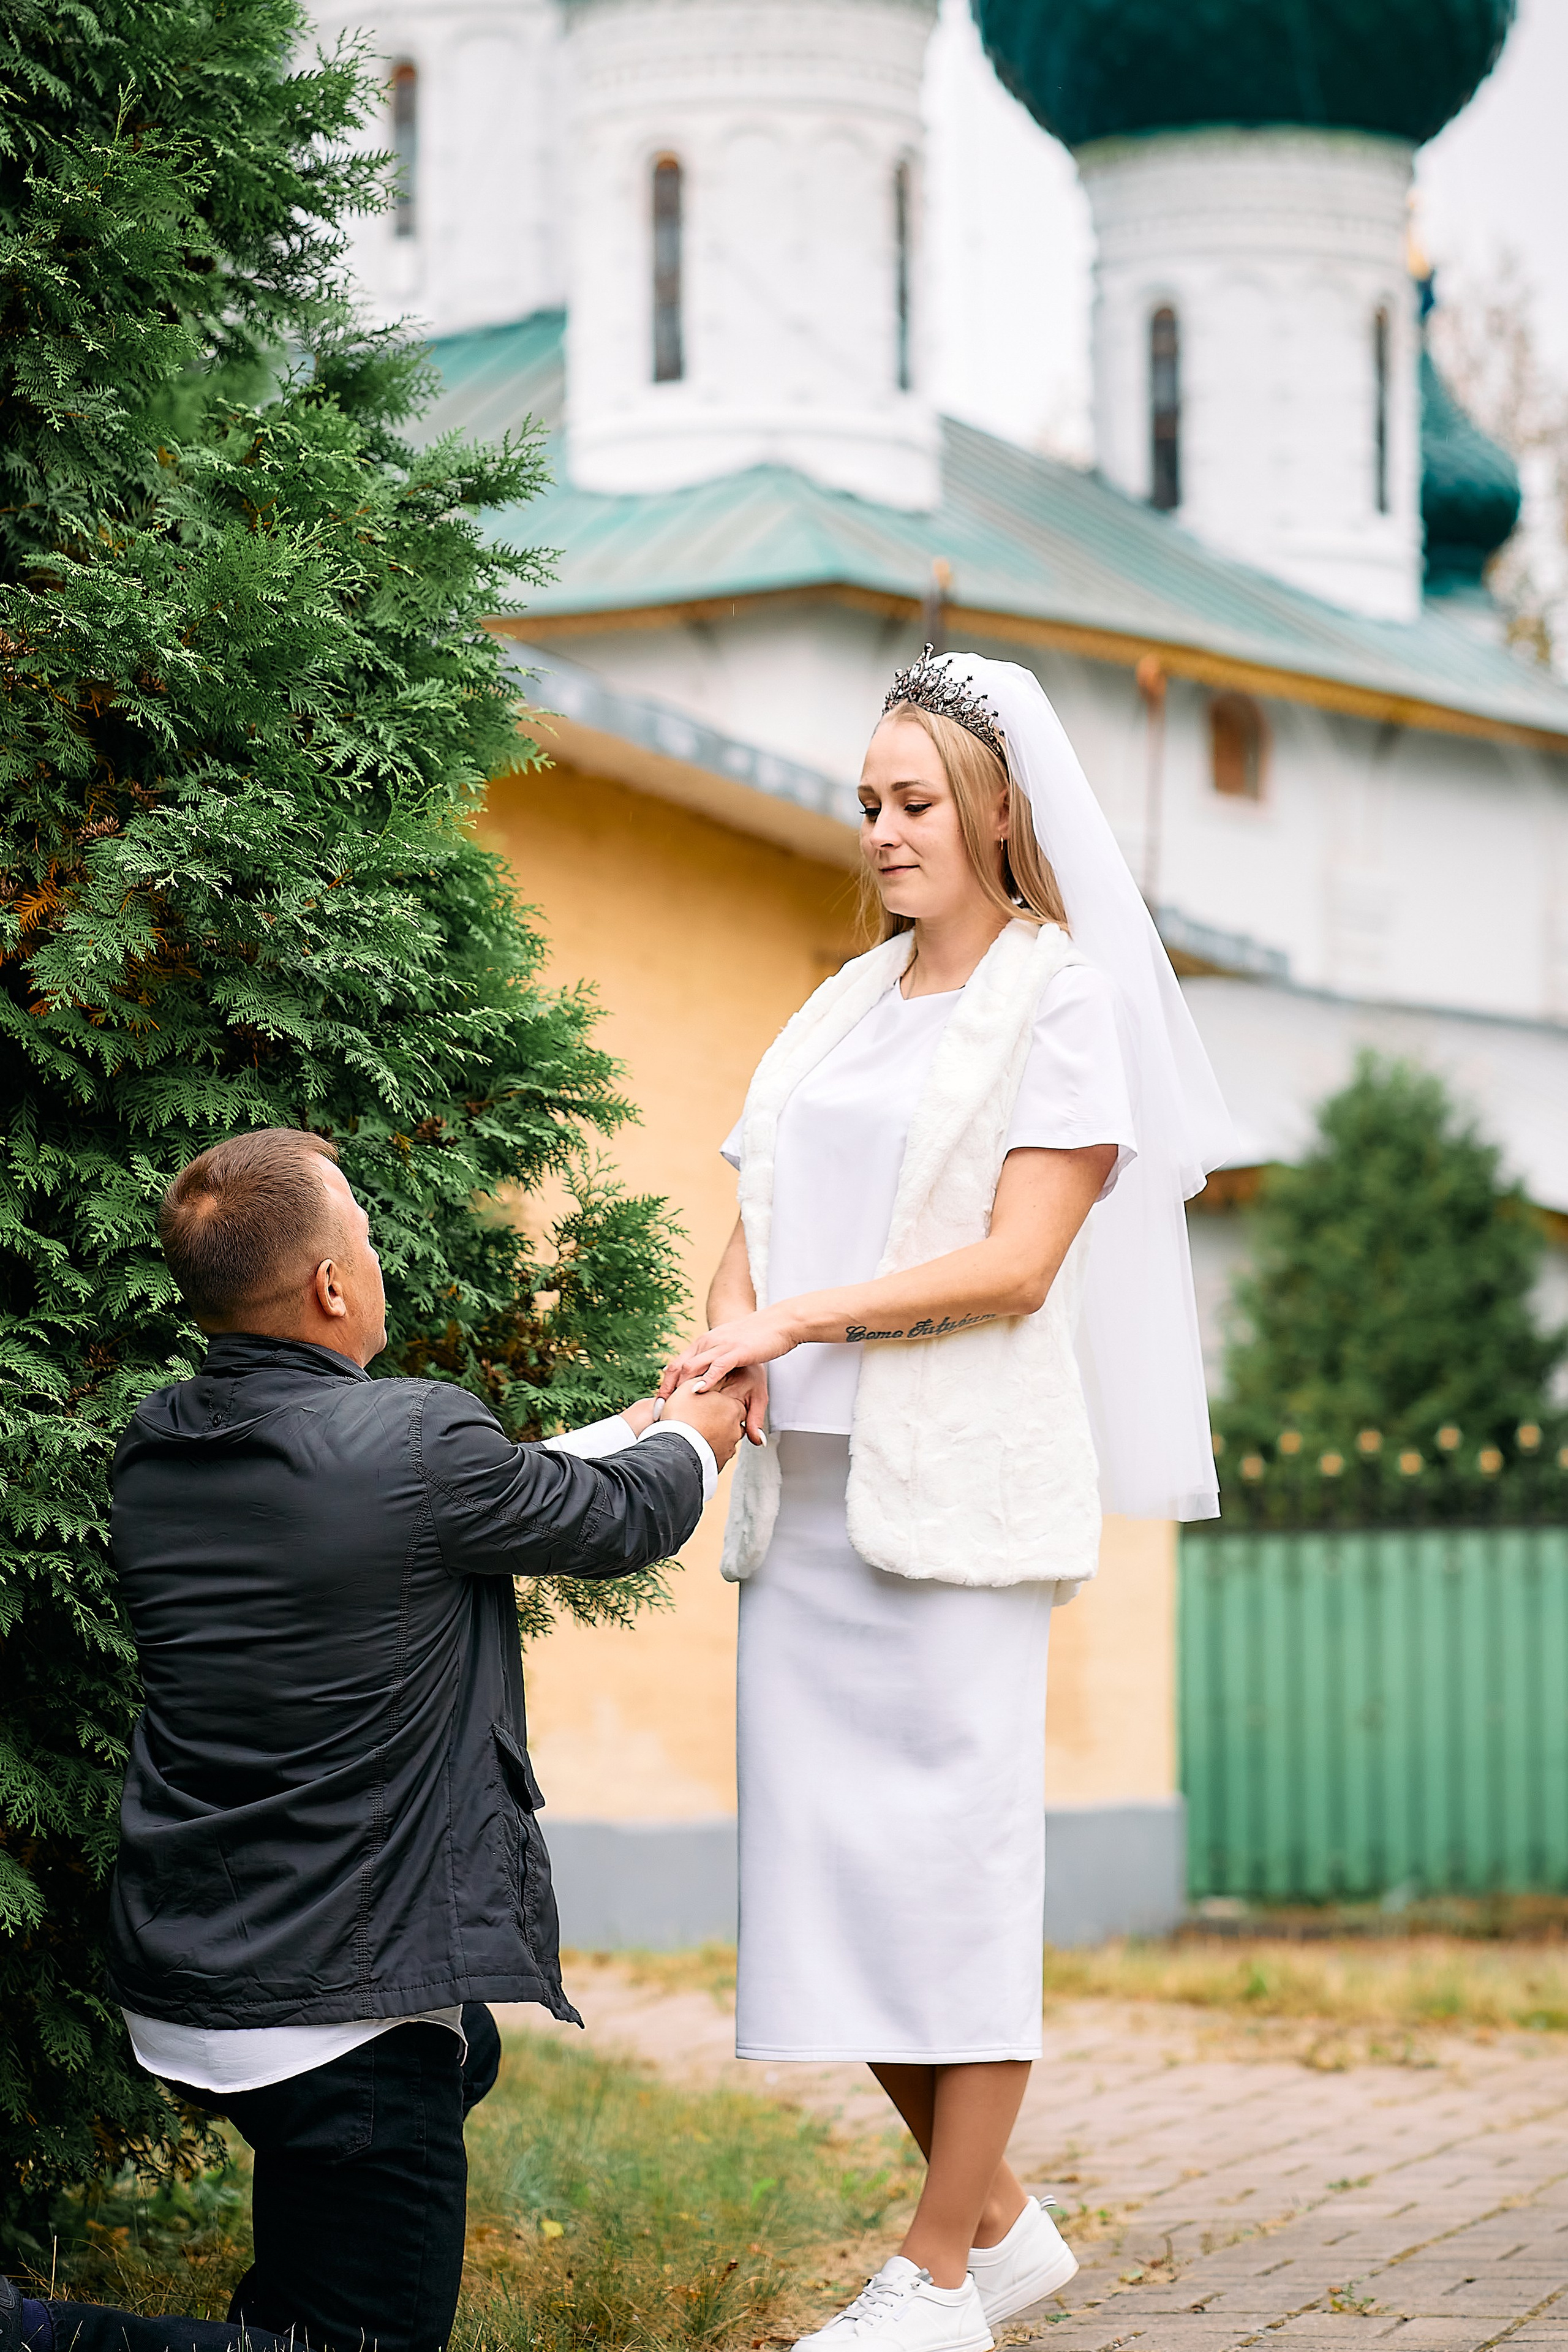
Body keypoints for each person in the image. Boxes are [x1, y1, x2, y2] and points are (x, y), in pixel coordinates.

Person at [662, 649, 1232, 2352]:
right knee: (832, 1886)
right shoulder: (839, 1007)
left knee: (954, 1876)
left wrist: (803, 1321)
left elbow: (1018, 1259)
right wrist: (715, 1353)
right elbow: (759, 1197)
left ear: (997, 810)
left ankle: (931, 2277)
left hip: (959, 1505)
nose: (885, 831)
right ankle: (1000, 2227)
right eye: (868, 805)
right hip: (810, 1507)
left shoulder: (1067, 1002)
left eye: (914, 803)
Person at [16, 1128, 744, 2352]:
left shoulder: (161, 1444)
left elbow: (488, 1495)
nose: (373, 1250)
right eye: (359, 1230)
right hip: (338, 1997)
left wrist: (640, 1420)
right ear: (331, 1287)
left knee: (456, 2068)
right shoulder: (408, 1444)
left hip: (202, 1962)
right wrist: (706, 1430)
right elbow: (616, 1517)